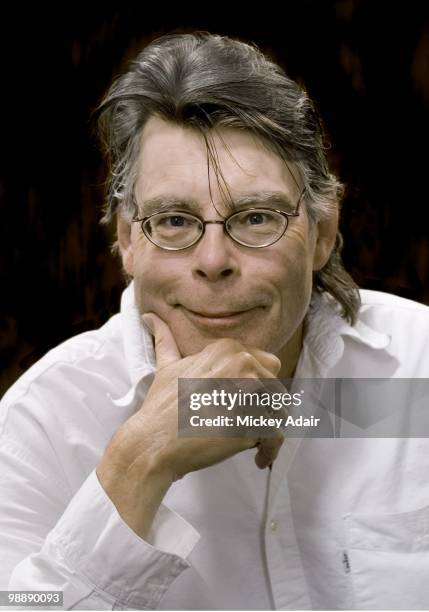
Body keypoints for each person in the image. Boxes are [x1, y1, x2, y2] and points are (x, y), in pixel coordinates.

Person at [1, 31, 429, 611]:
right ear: (126, 239)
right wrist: (139, 461)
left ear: (324, 233)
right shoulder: (46, 422)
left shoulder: (418, 371)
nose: (213, 263)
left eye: (256, 218)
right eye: (174, 221)